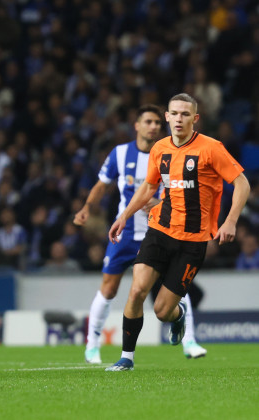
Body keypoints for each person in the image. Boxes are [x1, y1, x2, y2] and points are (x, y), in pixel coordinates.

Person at [105, 94, 250, 371]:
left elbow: (242, 184)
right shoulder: (160, 148)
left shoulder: (211, 148)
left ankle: (178, 313)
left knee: (162, 312)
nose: (179, 119)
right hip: (160, 230)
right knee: (136, 291)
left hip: (193, 242)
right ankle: (127, 358)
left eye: (186, 114)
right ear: (167, 117)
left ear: (195, 118)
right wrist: (124, 215)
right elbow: (149, 187)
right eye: (175, 113)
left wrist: (230, 221)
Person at [74, 104, 207, 364]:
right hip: (125, 234)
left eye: (158, 122)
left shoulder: (170, 152)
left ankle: (190, 341)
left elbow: (182, 192)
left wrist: (159, 203)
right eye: (148, 121)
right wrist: (87, 208)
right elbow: (102, 185)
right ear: (137, 125)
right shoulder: (120, 154)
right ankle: (92, 345)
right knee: (109, 288)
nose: (154, 126)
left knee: (176, 286)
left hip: (162, 231)